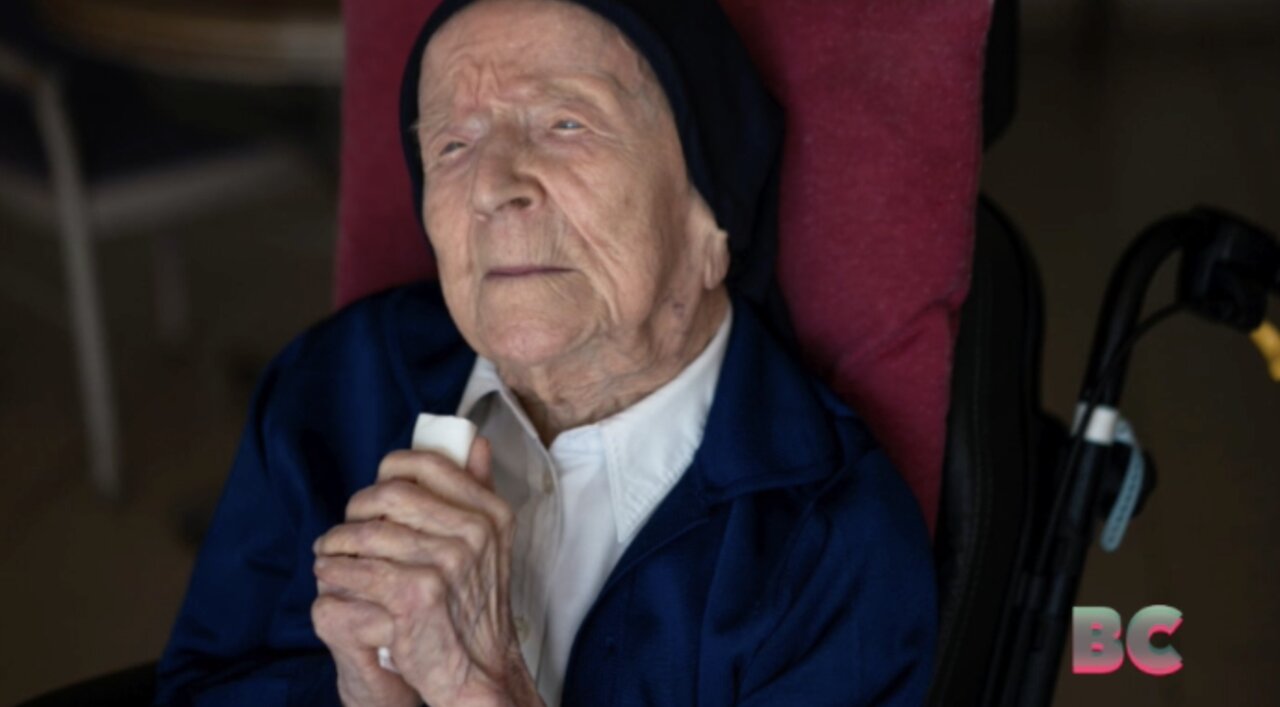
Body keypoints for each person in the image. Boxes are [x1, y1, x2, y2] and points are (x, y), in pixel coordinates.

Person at [156, 0, 936, 704]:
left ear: (711, 218)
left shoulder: (830, 540)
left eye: (566, 123)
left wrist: (480, 690)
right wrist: (361, 692)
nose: (494, 185)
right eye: (454, 144)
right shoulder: (336, 384)